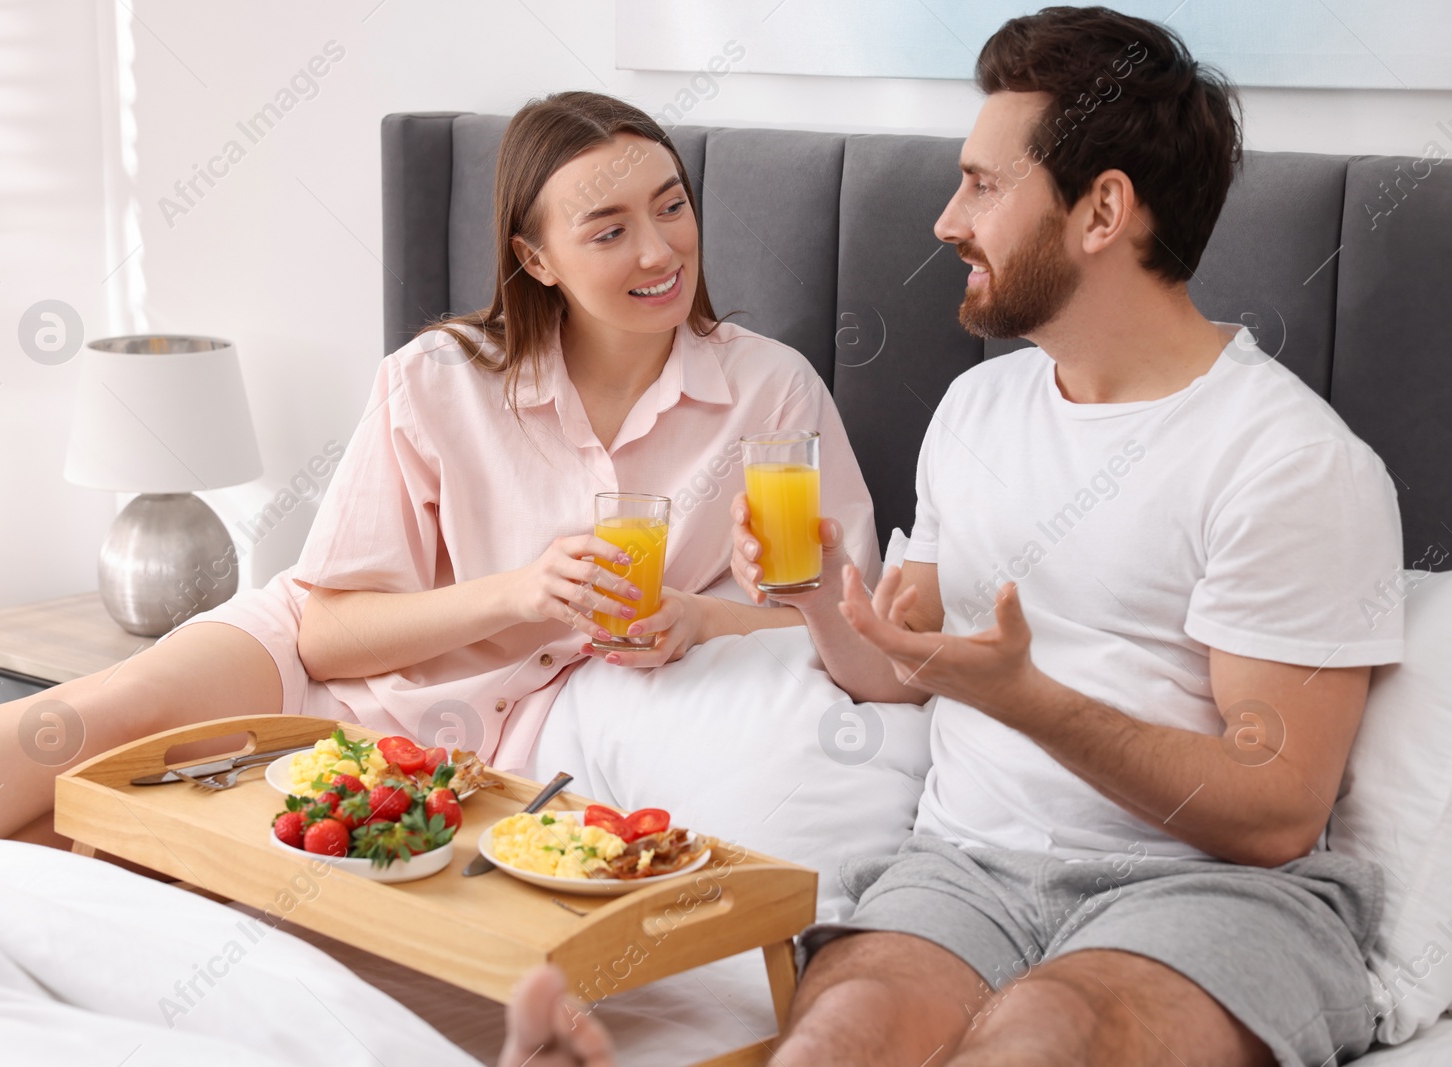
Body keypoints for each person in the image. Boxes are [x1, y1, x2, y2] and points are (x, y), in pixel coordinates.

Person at [493, 8, 1403, 1067]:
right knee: (833, 1038)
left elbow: (1275, 810)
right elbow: (894, 671)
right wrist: (823, 596)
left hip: (1214, 892)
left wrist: (1030, 701)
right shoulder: (979, 412)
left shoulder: (1289, 460)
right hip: (966, 868)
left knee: (1041, 1033)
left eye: (981, 184)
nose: (943, 219)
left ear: (1102, 209)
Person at [0, 90, 876, 857]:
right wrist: (525, 590)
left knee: (109, 843)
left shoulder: (769, 394)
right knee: (101, 725)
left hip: (480, 740)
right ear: (536, 258)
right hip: (311, 663)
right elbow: (326, 626)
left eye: (671, 207)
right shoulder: (438, 378)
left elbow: (839, 616)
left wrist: (700, 617)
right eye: (609, 230)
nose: (660, 251)